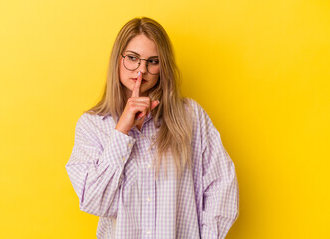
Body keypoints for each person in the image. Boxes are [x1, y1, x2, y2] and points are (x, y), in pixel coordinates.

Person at [65, 17, 239, 239]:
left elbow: (222, 186)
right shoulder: (92, 125)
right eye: (132, 58)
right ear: (117, 59)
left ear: (162, 66)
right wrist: (122, 132)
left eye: (153, 61)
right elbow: (93, 201)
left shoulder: (190, 116)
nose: (141, 70)